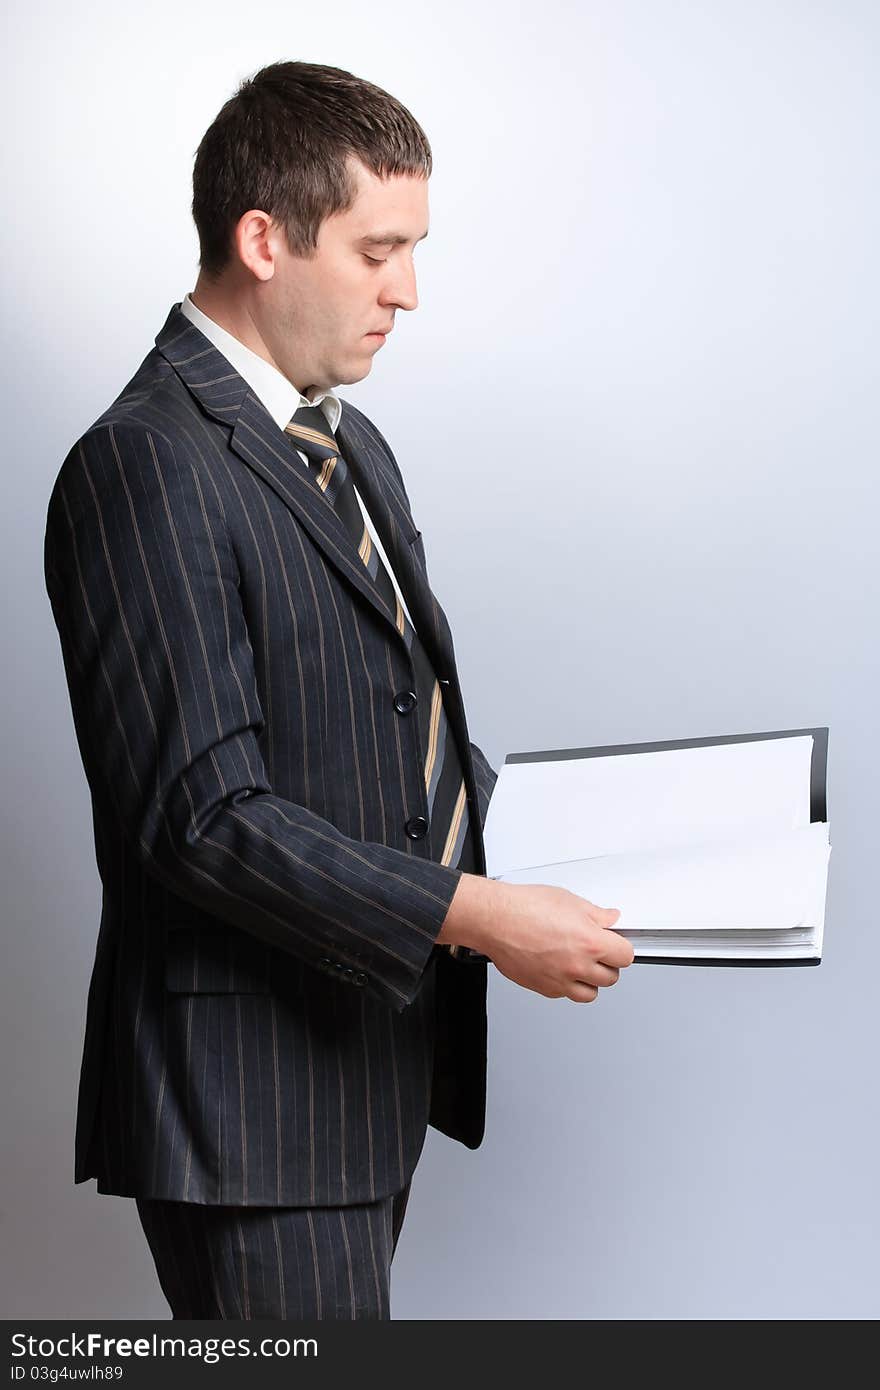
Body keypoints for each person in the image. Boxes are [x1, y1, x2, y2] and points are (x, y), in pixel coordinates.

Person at [43, 59, 634, 1321]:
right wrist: (478, 914)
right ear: (263, 238)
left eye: (411, 249)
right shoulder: (142, 465)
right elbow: (203, 819)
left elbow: (384, 726)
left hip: (361, 1065)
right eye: (379, 250)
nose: (406, 291)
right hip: (251, 1107)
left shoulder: (345, 441)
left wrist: (598, 841)